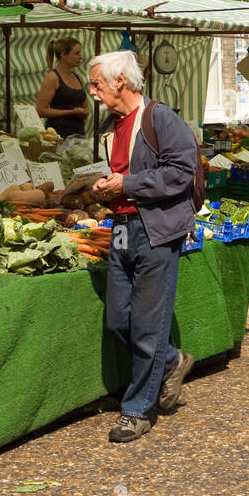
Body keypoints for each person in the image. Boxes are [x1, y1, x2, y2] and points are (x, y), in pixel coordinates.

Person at [87, 50, 197, 443]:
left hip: (155, 231)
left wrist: (127, 185)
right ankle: (172, 361)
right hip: (120, 229)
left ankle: (137, 411)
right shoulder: (110, 125)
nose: (92, 92)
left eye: (96, 83)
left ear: (120, 81)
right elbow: (117, 174)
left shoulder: (160, 118)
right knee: (119, 320)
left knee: (148, 327)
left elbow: (182, 173)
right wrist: (102, 187)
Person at [35, 37, 89, 138]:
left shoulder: (78, 77)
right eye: (77, 53)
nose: (81, 57)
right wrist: (71, 112)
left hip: (78, 134)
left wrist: (84, 112)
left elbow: (86, 107)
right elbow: (40, 110)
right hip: (58, 135)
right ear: (63, 55)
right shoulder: (52, 78)